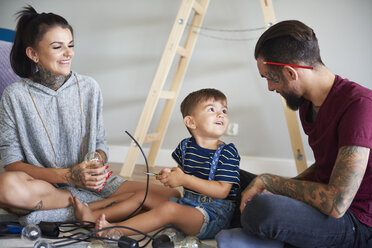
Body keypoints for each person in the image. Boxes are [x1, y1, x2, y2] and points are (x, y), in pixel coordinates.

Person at [0, 5, 179, 225]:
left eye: (71, 45)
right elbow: (12, 163)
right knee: (5, 187)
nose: (69, 53)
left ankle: (57, 214)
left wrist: (95, 161)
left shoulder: (89, 87)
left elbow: (101, 145)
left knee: (173, 198)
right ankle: (99, 208)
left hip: (92, 185)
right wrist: (69, 175)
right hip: (45, 186)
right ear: (33, 53)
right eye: (58, 47)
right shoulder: (15, 95)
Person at [218, 20, 372, 248]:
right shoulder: (306, 105)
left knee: (263, 209)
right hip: (326, 205)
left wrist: (270, 182)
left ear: (291, 72)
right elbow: (325, 167)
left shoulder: (359, 106)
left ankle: (238, 221)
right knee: (225, 172)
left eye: (270, 77)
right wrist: (278, 186)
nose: (270, 87)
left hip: (355, 221)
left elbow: (337, 203)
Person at [75, 88, 241, 239]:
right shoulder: (185, 146)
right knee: (143, 195)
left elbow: (222, 191)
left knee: (169, 209)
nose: (221, 114)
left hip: (212, 217)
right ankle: (92, 215)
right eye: (212, 109)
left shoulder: (228, 152)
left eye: (224, 111)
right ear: (190, 122)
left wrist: (184, 180)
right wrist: (171, 175)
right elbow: (183, 172)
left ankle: (115, 230)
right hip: (189, 205)